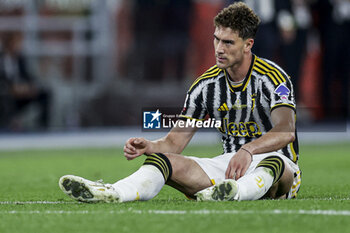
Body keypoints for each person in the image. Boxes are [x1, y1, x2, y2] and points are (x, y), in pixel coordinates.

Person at [59, 2, 301, 202]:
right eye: (216, 39)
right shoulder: (204, 86)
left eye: (228, 42)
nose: (219, 48)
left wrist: (248, 149)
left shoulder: (273, 78)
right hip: (231, 165)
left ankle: (233, 193)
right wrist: (152, 146)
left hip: (279, 165)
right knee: (162, 161)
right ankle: (113, 192)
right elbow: (175, 141)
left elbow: (285, 131)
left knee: (273, 164)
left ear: (248, 45)